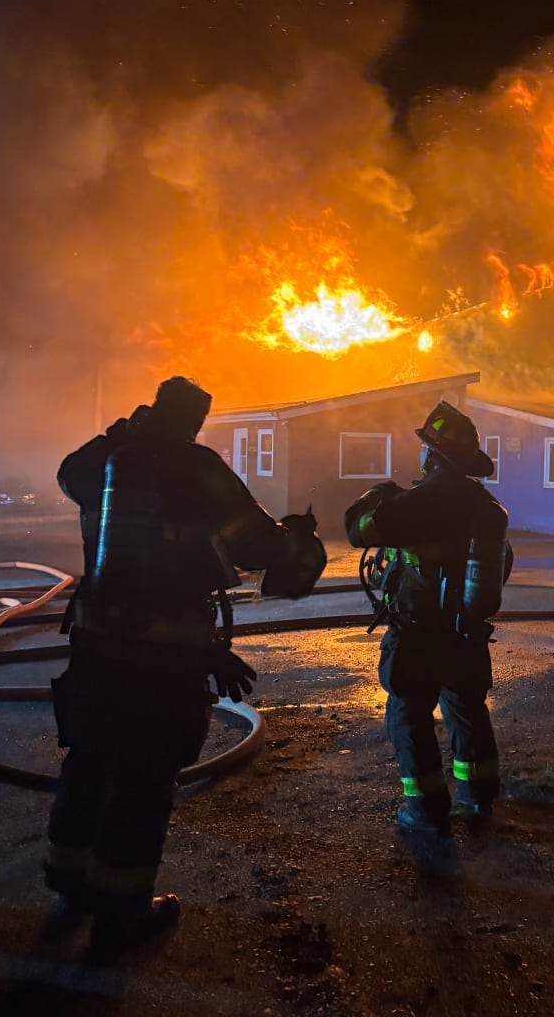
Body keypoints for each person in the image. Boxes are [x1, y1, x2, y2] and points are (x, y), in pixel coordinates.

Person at [44, 376, 326, 952]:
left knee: (91, 759)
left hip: (96, 645)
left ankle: (69, 883)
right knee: (144, 777)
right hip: (166, 654)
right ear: (195, 421)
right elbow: (256, 546)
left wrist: (123, 431)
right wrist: (294, 537)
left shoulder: (105, 462)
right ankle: (120, 915)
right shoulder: (198, 467)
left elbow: (68, 471)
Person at [345, 401, 512, 835]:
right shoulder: (485, 504)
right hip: (466, 631)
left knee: (409, 713)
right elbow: (503, 563)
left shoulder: (420, 501)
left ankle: (426, 809)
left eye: (424, 448)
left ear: (433, 456)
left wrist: (379, 492)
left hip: (418, 631)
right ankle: (478, 798)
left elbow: (357, 528)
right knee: (466, 708)